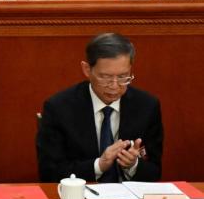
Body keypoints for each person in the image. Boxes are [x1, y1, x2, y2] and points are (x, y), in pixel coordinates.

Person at [37, 33, 163, 182]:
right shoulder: (59, 108)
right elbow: (50, 173)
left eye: (123, 77)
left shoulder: (147, 106)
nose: (115, 86)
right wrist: (99, 165)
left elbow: (154, 171)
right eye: (105, 77)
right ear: (87, 70)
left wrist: (133, 165)